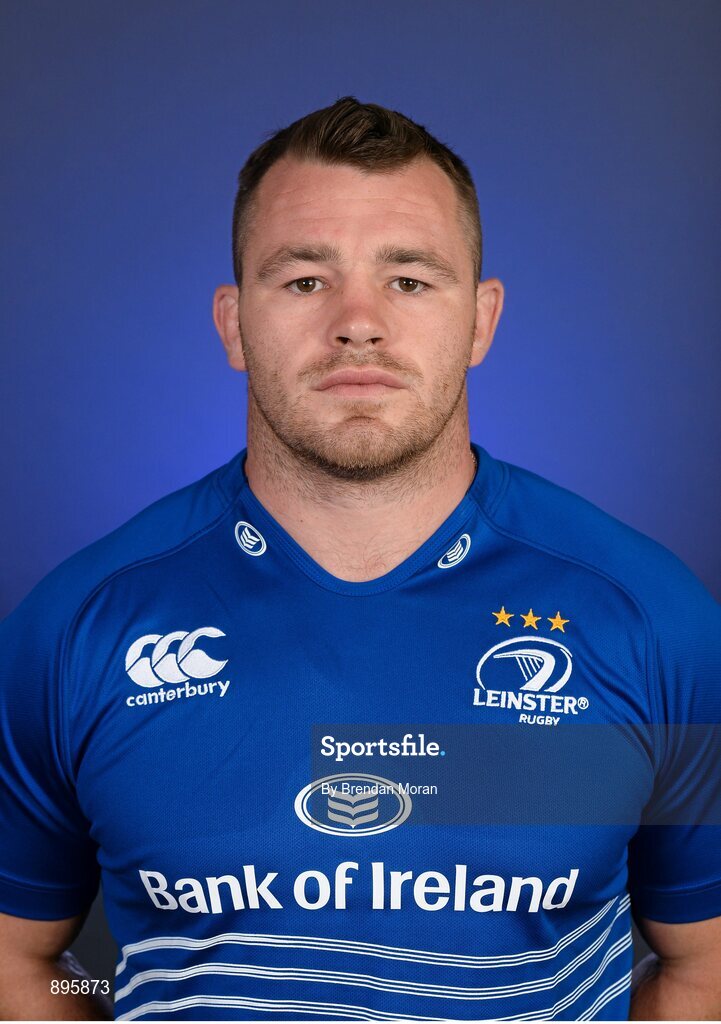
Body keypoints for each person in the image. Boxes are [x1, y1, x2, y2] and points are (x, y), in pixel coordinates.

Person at [0, 95, 719, 1023]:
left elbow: (699, 967)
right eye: (304, 281)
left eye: (409, 281)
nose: (357, 323)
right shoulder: (74, 628)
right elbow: (30, 963)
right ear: (231, 323)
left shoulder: (654, 620)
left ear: (480, 320)